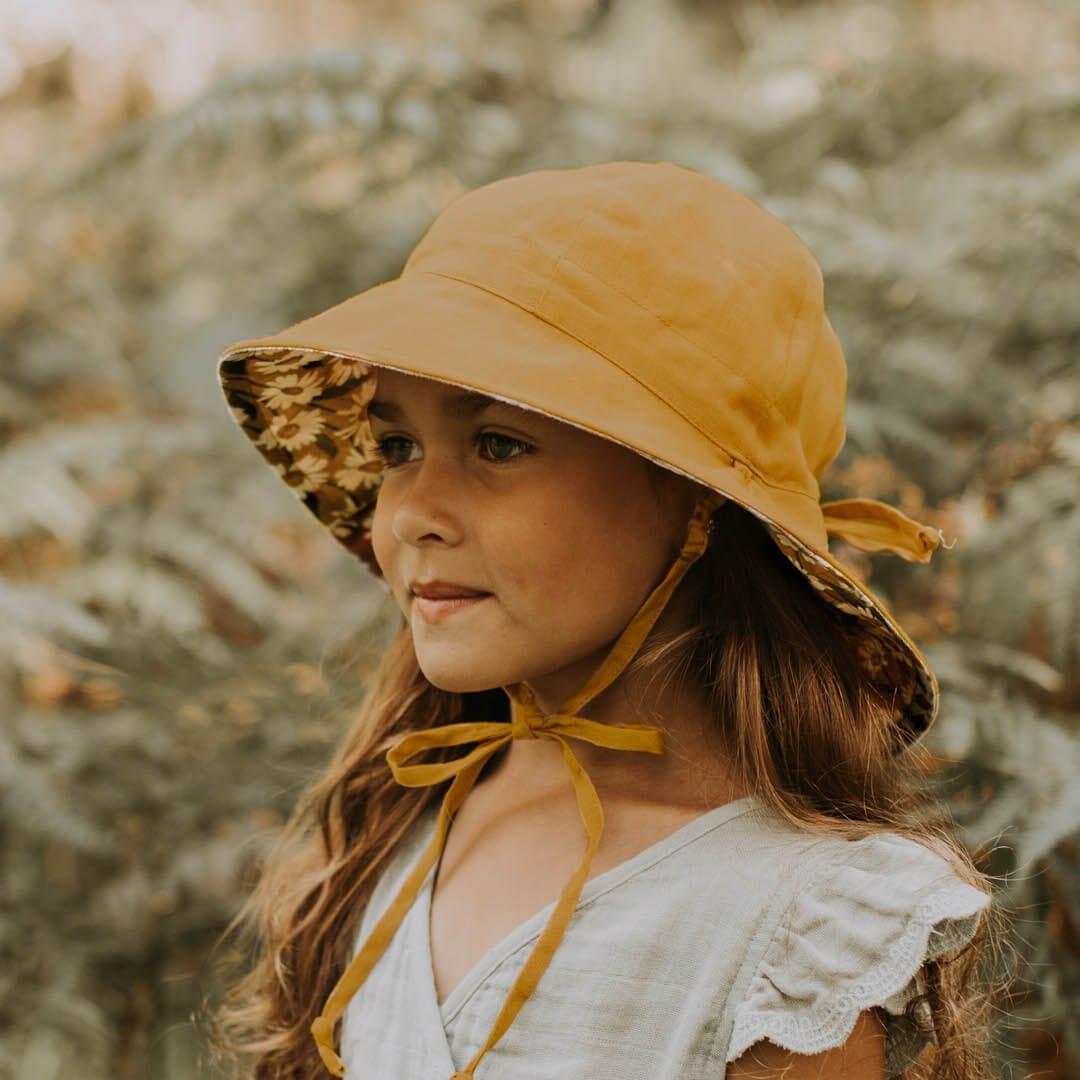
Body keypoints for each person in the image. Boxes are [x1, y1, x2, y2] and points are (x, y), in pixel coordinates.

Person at [205, 160, 995, 1079]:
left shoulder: (795, 928)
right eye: (397, 447)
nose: (411, 511)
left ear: (694, 499)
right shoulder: (394, 824)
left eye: (499, 444)